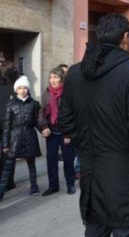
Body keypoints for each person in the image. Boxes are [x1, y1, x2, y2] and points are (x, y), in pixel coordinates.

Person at [58, 14, 129, 236]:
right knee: (126, 228)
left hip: (92, 176)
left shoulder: (74, 73)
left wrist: (85, 145)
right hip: (126, 177)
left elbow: (64, 122)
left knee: (95, 229)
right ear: (125, 38)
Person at [0, 76, 50, 200]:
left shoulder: (34, 104)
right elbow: (7, 126)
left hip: (29, 136)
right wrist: (5, 144)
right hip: (14, 138)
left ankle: (34, 186)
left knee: (31, 163)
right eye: (20, 88)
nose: (22, 90)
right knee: (8, 165)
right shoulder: (10, 105)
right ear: (16, 90)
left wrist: (43, 129)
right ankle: (1, 190)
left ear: (28, 89)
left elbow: (38, 120)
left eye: (25, 88)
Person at [39, 67, 77, 196]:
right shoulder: (46, 93)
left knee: (68, 160)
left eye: (55, 77)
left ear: (61, 79)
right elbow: (41, 112)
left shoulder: (68, 93)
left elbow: (74, 115)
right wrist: (44, 127)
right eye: (51, 77)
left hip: (65, 132)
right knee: (51, 160)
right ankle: (53, 186)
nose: (53, 80)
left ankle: (70, 184)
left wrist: (69, 134)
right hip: (52, 132)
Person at [0, 60, 19, 191]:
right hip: (9, 123)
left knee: (6, 153)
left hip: (7, 122)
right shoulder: (16, 86)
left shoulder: (15, 86)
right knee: (7, 153)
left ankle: (7, 181)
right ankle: (7, 182)